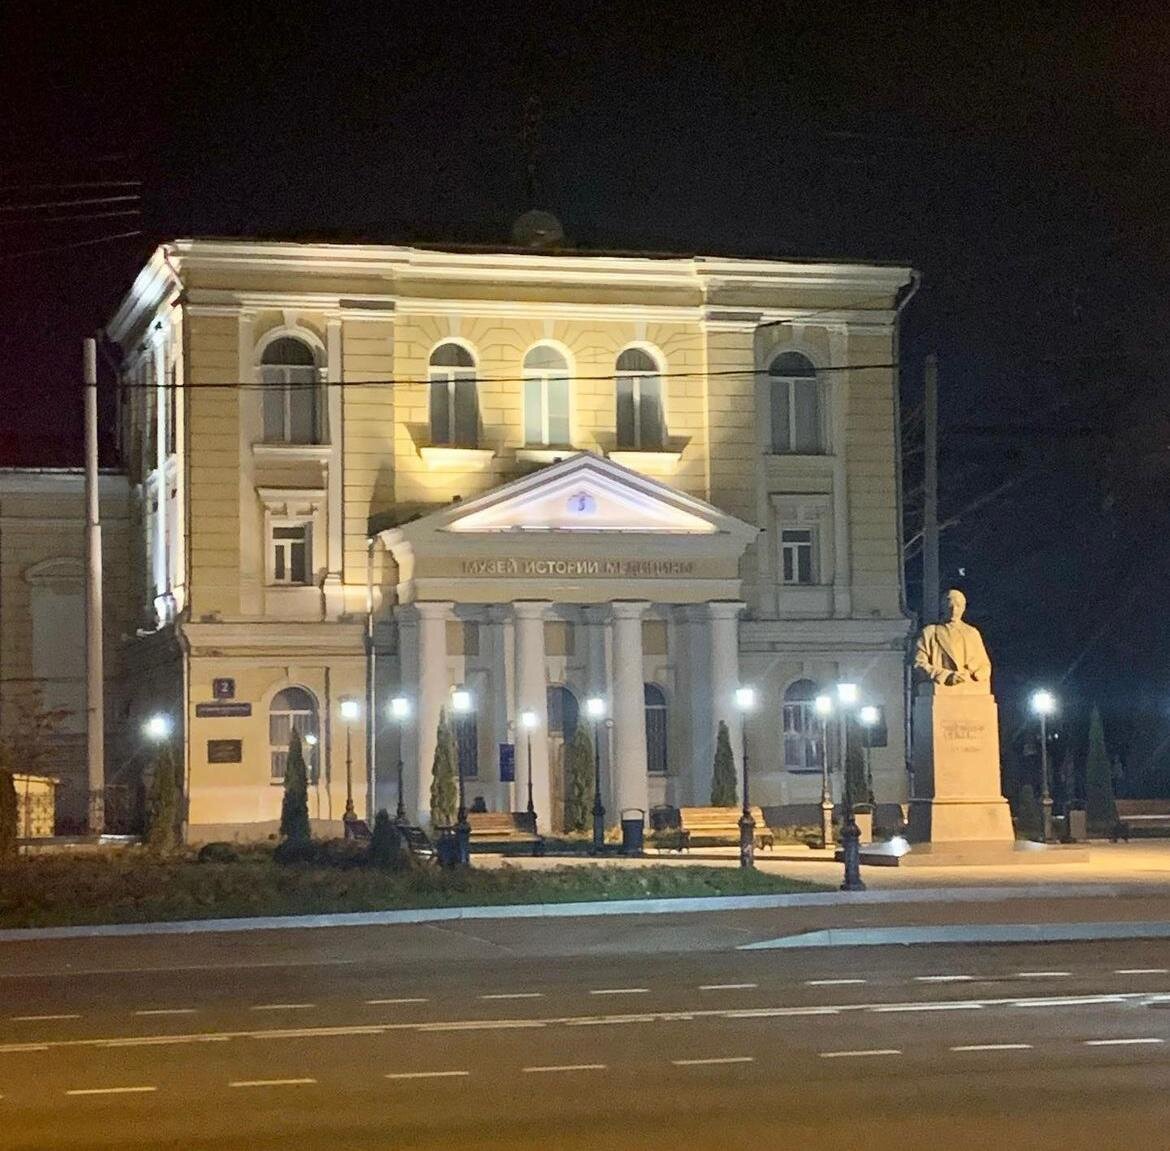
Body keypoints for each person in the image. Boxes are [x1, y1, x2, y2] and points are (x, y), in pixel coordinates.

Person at [913, 588, 992, 691]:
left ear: (963, 608)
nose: (954, 610)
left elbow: (984, 665)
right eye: (950, 606)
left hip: (970, 690)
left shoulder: (972, 633)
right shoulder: (930, 633)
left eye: (958, 606)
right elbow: (919, 664)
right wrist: (945, 676)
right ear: (943, 607)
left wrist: (974, 675)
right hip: (941, 691)